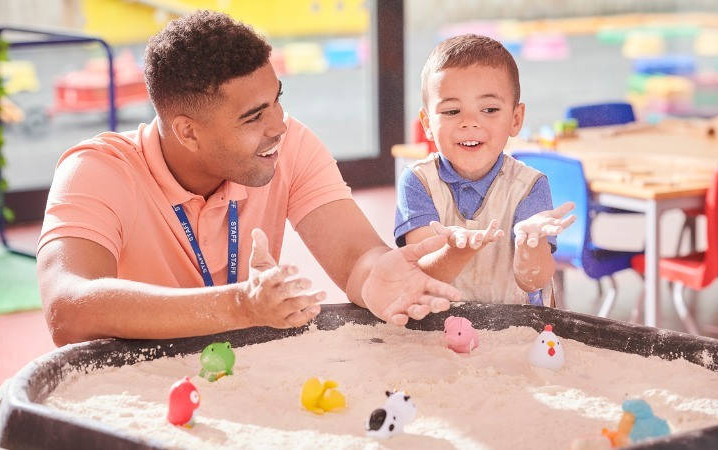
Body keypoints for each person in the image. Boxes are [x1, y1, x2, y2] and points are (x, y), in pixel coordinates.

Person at [36, 10, 460, 347]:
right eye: (253, 116)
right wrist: (241, 305)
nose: (278, 125)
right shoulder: (95, 170)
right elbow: (67, 309)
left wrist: (376, 275)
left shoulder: (290, 144)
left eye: (277, 100)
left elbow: (356, 259)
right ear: (187, 132)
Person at [394, 34, 575, 306]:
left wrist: (530, 244)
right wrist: (456, 250)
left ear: (515, 119)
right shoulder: (418, 182)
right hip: (438, 333)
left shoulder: (529, 186)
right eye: (452, 111)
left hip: (518, 332)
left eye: (489, 109)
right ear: (427, 122)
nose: (469, 122)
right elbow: (422, 270)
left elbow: (533, 281)